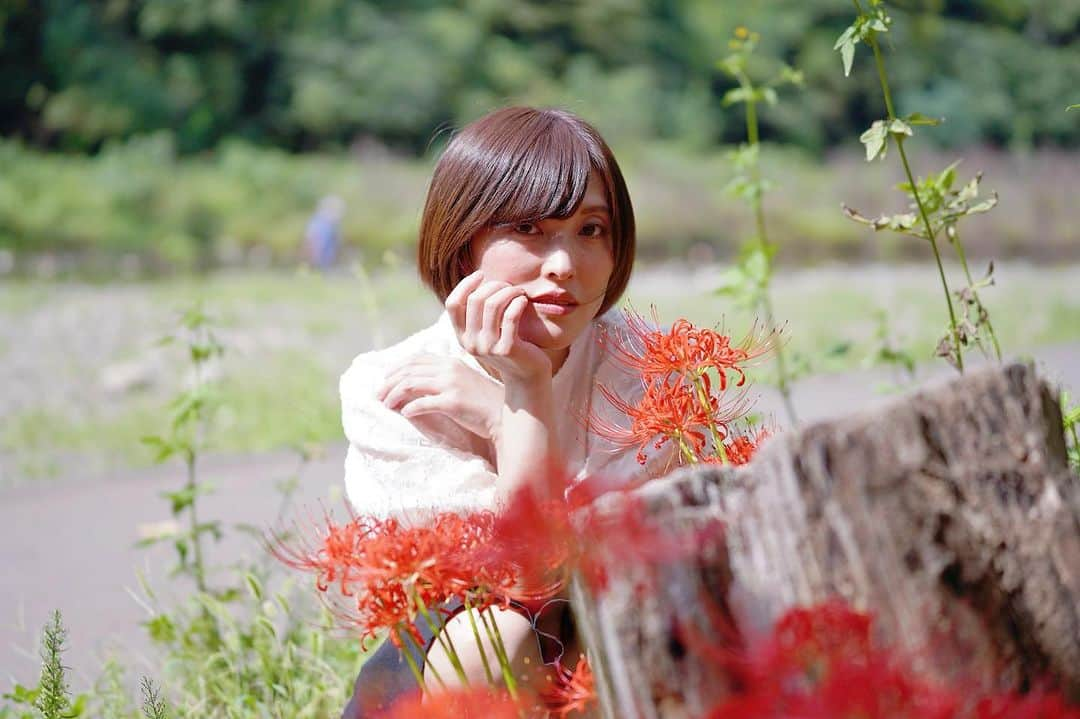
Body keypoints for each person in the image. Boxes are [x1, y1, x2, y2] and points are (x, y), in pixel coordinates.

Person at [338, 106, 674, 717]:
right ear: (463, 242)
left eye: (592, 229)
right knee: (499, 641)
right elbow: (525, 585)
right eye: (529, 228)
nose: (564, 265)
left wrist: (505, 413)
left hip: (619, 631)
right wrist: (523, 395)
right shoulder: (388, 387)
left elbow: (641, 567)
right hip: (464, 669)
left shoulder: (650, 367)